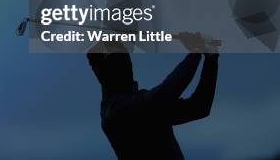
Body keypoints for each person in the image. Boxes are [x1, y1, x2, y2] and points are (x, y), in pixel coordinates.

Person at [87, 35, 219, 160]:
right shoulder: (116, 112)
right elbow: (167, 92)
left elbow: (199, 107)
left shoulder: (140, 102)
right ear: (102, 70)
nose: (127, 63)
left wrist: (211, 58)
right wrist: (196, 50)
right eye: (119, 58)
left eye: (126, 57)